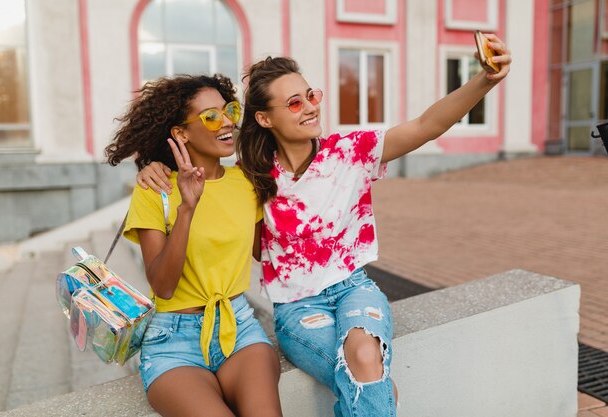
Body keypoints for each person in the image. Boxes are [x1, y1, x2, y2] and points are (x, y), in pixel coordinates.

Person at [138, 33, 512, 417]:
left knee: (365, 353)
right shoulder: (252, 177)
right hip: (297, 308)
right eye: (294, 103)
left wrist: (483, 80)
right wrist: (152, 166)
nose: (309, 108)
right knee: (372, 378)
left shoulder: (351, 152)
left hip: (355, 289)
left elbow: (426, 126)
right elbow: (213, 191)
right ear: (265, 118)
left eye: (311, 96)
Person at [105, 74, 282, 417]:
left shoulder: (247, 183)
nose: (228, 121)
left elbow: (268, 252)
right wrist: (187, 208)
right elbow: (164, 286)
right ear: (181, 133)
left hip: (239, 328)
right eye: (211, 116)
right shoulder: (154, 190)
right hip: (174, 342)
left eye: (229, 110)